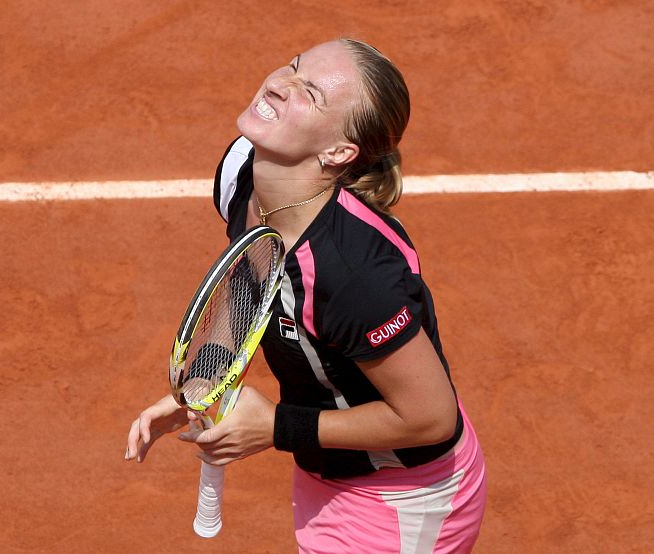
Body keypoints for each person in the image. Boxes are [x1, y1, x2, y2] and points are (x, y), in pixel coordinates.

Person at [126, 38, 487, 553]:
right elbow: (251, 278)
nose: (277, 82)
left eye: (310, 93)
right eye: (293, 67)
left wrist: (276, 425)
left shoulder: (352, 275)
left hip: (401, 500)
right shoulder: (243, 172)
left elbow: (430, 417)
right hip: (329, 467)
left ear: (338, 152)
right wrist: (208, 376)